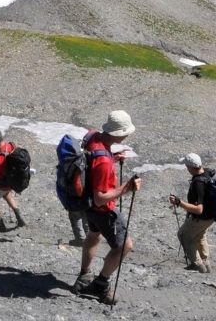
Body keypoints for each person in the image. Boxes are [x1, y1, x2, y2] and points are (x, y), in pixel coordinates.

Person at [72, 110, 141, 305]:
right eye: (125, 132)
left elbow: (93, 162)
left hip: (88, 207)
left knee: (94, 236)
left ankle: (83, 276)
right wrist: (126, 188)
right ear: (118, 133)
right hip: (103, 210)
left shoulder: (94, 137)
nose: (127, 135)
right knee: (125, 245)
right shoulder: (102, 160)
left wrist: (113, 158)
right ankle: (100, 285)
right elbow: (101, 198)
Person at [169, 153, 213, 273]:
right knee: (200, 236)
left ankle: (197, 264)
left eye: (187, 166)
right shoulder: (208, 173)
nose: (187, 169)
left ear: (191, 167)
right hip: (211, 216)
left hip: (200, 218)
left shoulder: (198, 182)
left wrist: (179, 202)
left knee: (183, 235)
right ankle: (206, 264)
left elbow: (199, 209)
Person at [0, 128, 26, 231]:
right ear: (2, 137)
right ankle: (19, 218)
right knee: (7, 195)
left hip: (1, 184)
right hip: (12, 182)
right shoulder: (12, 146)